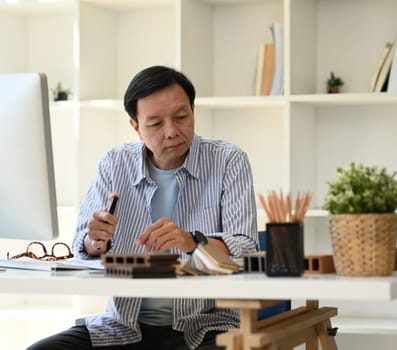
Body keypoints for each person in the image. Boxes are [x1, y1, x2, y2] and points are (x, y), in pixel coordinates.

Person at [27, 65, 258, 350]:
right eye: (156, 124)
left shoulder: (228, 161)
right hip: (122, 326)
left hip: (205, 326)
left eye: (181, 117)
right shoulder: (114, 163)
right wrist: (95, 240)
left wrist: (191, 242)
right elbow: (84, 251)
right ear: (135, 126)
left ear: (193, 110)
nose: (172, 131)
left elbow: (246, 251)